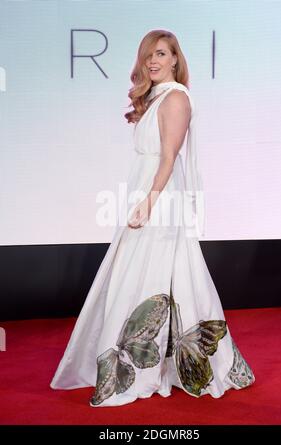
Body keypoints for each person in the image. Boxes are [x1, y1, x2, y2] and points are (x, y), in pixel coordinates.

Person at [50, 30, 255, 407]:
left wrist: (149, 201)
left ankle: (145, 367)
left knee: (149, 275)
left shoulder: (176, 98)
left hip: (158, 198)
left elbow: (168, 158)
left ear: (176, 59)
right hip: (146, 192)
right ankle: (164, 361)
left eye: (161, 54)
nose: (153, 61)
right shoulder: (158, 97)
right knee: (155, 273)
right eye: (148, 56)